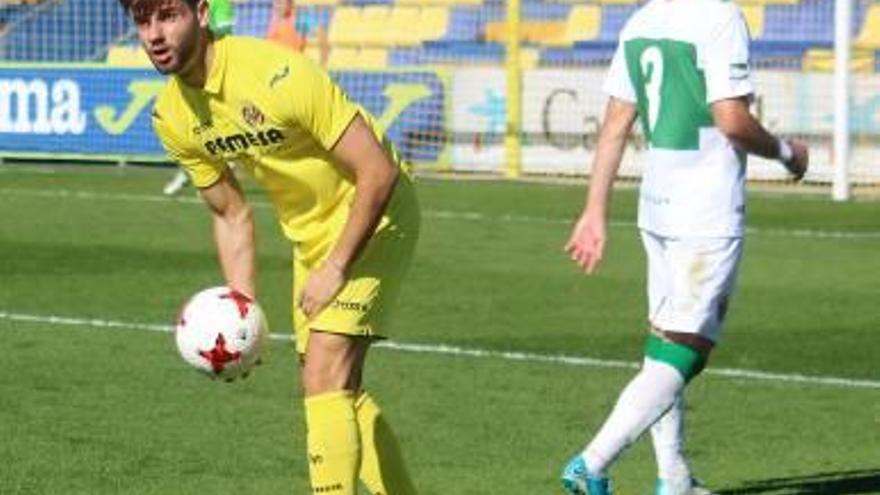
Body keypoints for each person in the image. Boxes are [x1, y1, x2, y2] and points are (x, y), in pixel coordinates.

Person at [122, 1, 420, 494]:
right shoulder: (172, 116)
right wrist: (243, 314)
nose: (154, 34)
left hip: (376, 213)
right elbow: (230, 212)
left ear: (201, 13)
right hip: (312, 233)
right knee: (333, 385)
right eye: (142, 21)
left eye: (168, 16)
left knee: (325, 369)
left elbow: (377, 172)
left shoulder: (277, 73)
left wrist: (339, 265)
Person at [560, 1, 809, 494]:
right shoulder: (720, 17)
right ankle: (593, 463)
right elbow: (732, 120)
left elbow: (614, 125)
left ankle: (674, 478)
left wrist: (594, 210)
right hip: (705, 210)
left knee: (664, 347)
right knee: (688, 350)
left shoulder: (643, 19)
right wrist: (787, 153)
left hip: (657, 207)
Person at [162, 0, 235, 196]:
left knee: (214, 125)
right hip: (188, 71)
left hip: (213, 72)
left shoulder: (220, 3)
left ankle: (217, 174)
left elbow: (223, 36)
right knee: (188, 125)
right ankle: (190, 171)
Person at [267, 0, 329, 66]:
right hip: (275, 65)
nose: (277, 6)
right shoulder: (274, 18)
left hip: (292, 65)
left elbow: (321, 33)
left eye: (280, 3)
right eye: (276, 2)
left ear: (290, 3)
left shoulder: (299, 18)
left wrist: (323, 63)